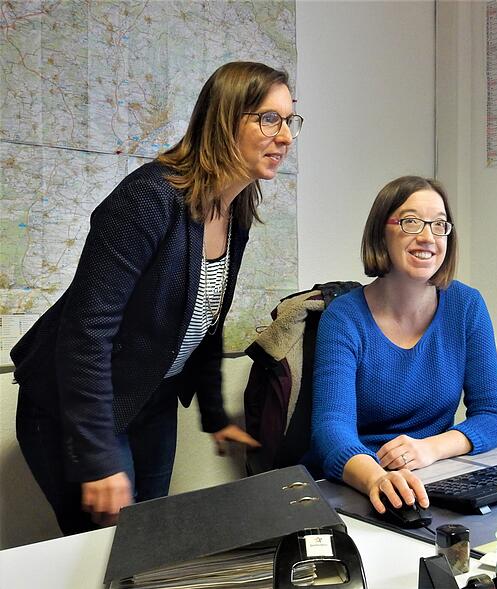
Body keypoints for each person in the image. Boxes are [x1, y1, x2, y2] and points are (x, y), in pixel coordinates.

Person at [11, 61, 303, 535]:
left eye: (290, 121)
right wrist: (99, 455)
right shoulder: (149, 199)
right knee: (107, 552)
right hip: (72, 408)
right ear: (225, 119)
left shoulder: (236, 214)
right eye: (269, 119)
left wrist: (214, 412)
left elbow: (204, 321)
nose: (286, 136)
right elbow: (86, 335)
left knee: (148, 543)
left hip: (149, 401)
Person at [307, 176, 497, 515]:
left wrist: (430, 449)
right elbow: (331, 428)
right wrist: (376, 478)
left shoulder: (466, 305)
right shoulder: (344, 316)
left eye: (439, 224)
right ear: (380, 233)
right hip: (356, 482)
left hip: (430, 477)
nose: (428, 237)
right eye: (411, 221)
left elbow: (493, 414)